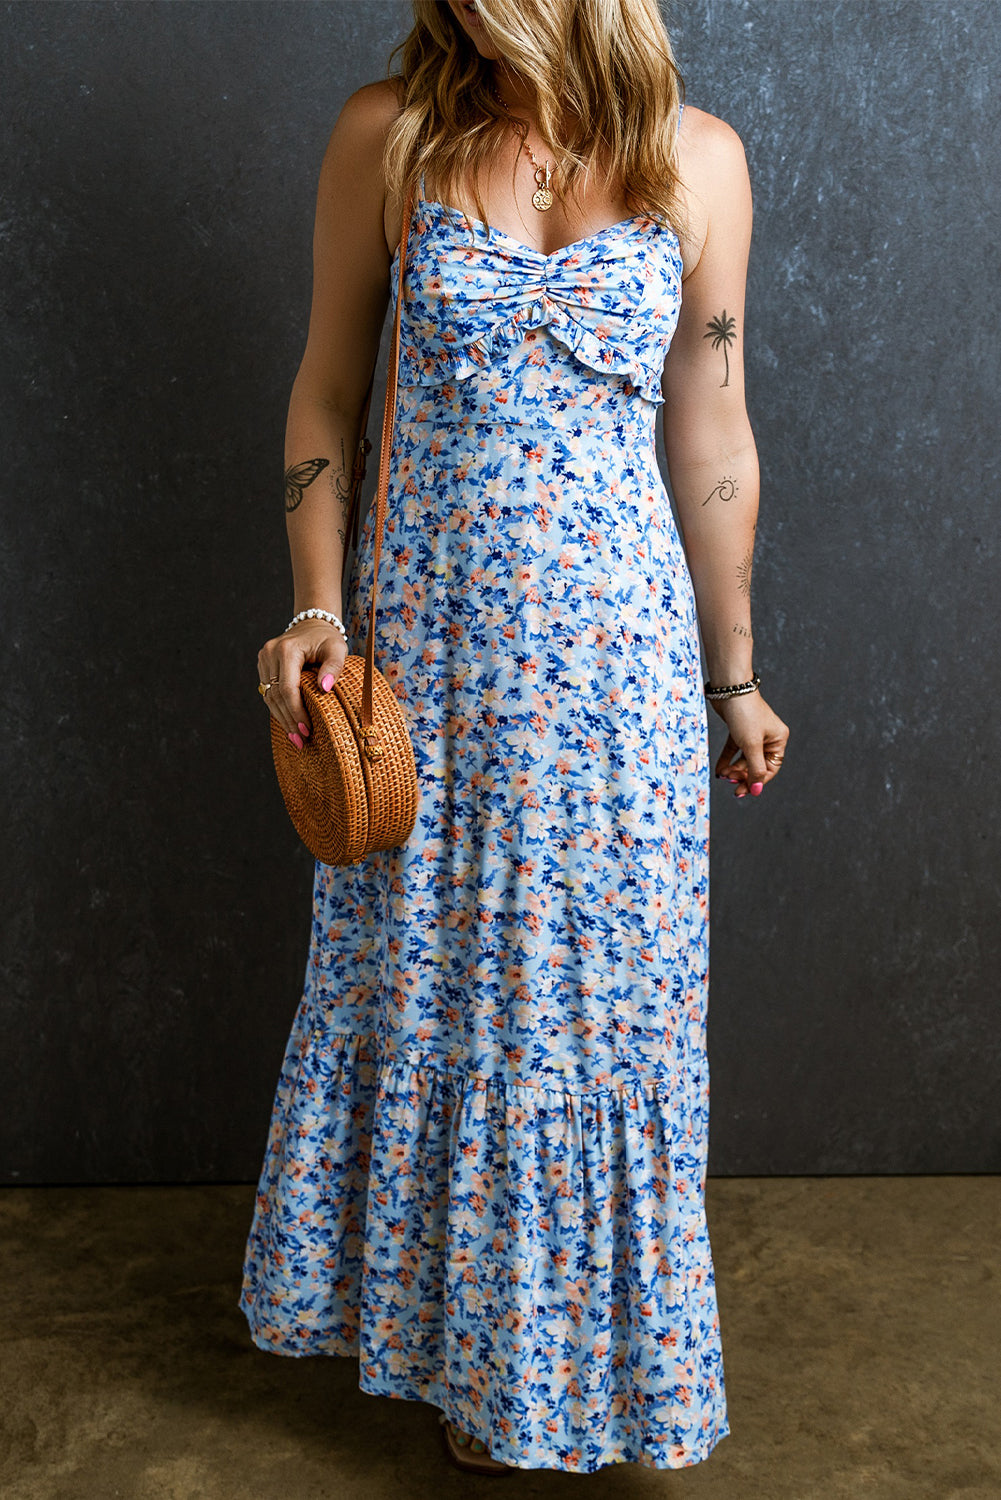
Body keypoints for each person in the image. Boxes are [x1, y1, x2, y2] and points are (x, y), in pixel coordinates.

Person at [240, 0, 789, 1477]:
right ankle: (462, 1367)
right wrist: (314, 608)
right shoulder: (390, 137)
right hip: (431, 667)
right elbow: (327, 390)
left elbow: (713, 424)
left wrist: (731, 680)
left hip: (616, 682)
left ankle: (568, 1381)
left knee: (596, 1015)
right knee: (441, 998)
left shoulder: (699, 161)